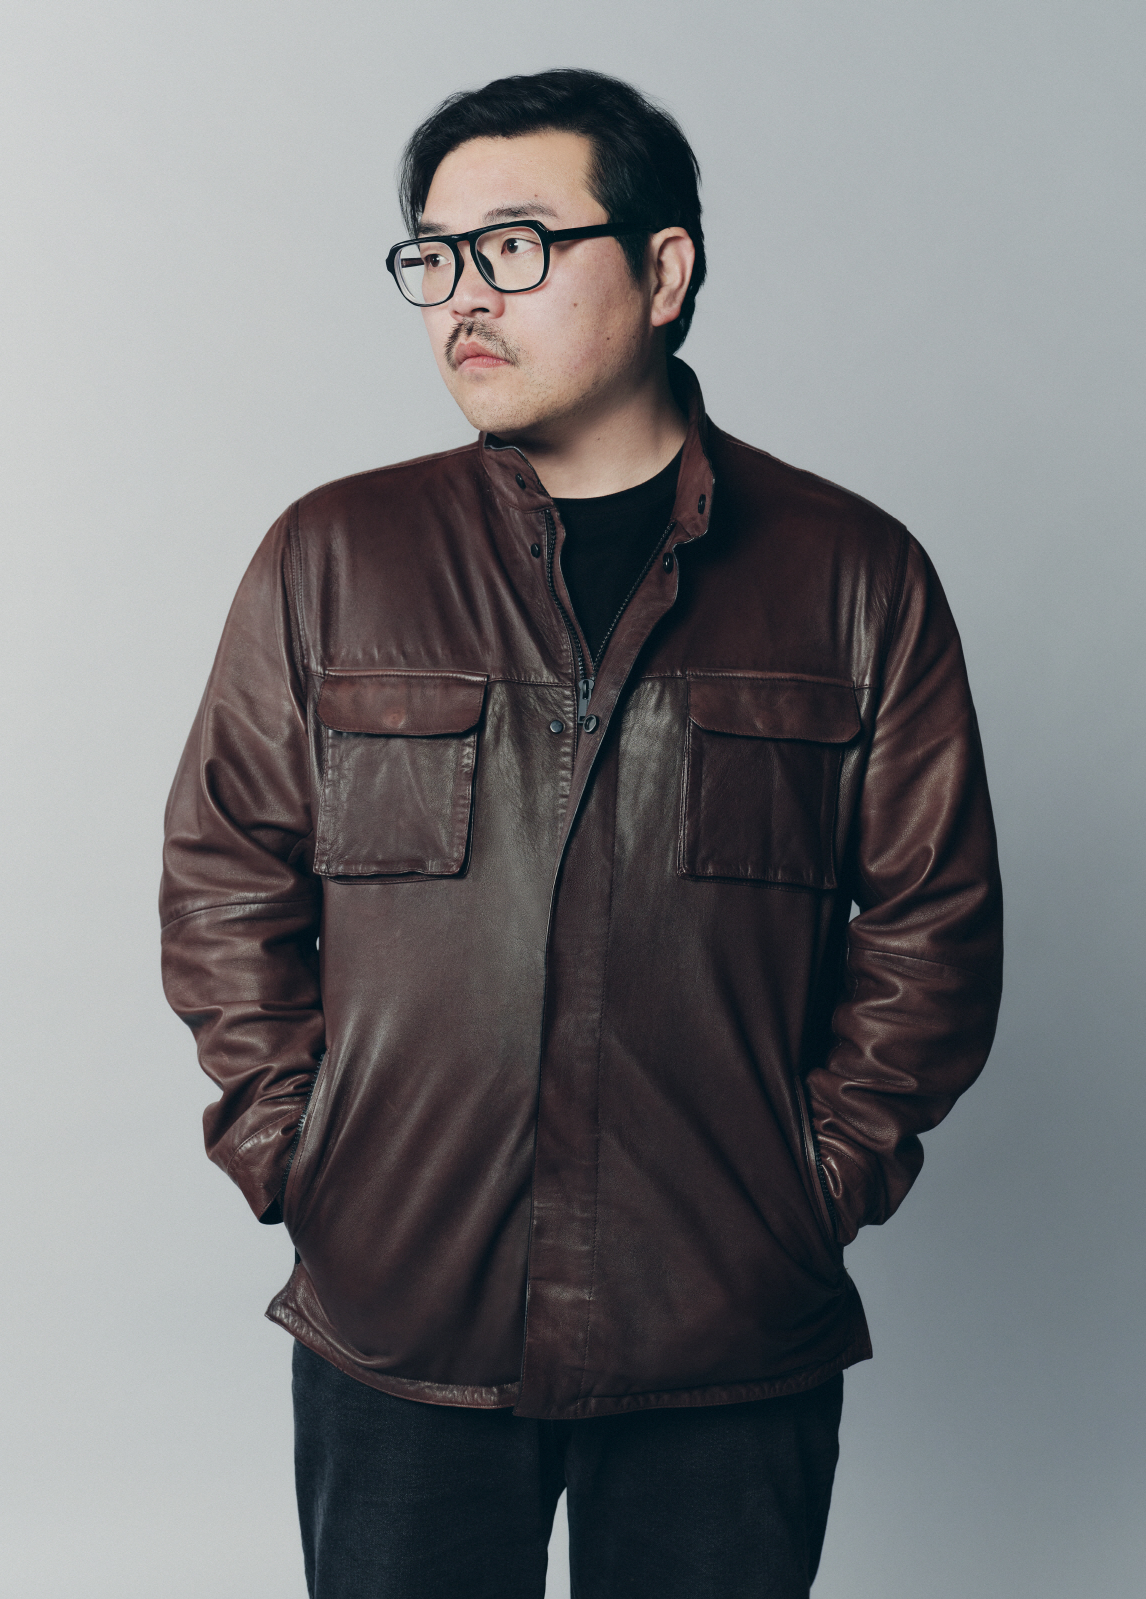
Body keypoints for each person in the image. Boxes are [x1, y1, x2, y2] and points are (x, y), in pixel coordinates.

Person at [160, 67, 1002, 1599]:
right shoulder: (334, 557)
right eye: (435, 258)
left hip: (726, 1329)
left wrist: (813, 1186)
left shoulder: (853, 576)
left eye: (516, 246)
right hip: (401, 1318)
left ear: (664, 271)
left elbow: (934, 929)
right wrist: (303, 1156)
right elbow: (225, 875)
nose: (463, 299)